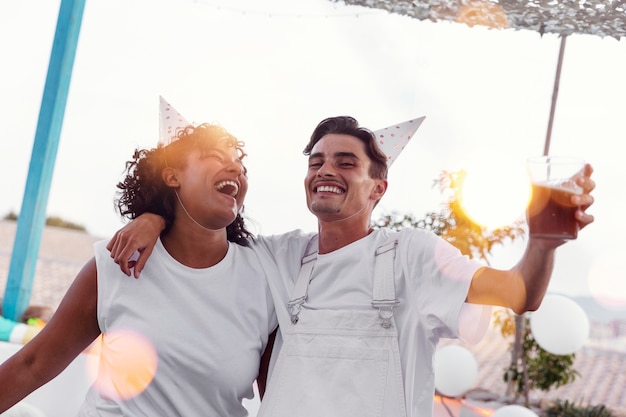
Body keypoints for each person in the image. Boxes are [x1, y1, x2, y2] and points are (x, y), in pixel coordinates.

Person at [107, 116, 596, 417]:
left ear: (378, 188)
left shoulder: (415, 256)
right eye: (316, 161)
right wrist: (154, 216)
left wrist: (544, 245)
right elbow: (203, 233)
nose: (325, 171)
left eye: (345, 162)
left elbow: (518, 293)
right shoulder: (277, 256)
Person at [0, 121, 277, 416]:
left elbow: (277, 398)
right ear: (172, 176)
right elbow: (33, 365)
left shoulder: (263, 277)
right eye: (217, 157)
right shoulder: (118, 262)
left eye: (240, 165)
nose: (236, 170)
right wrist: (154, 217)